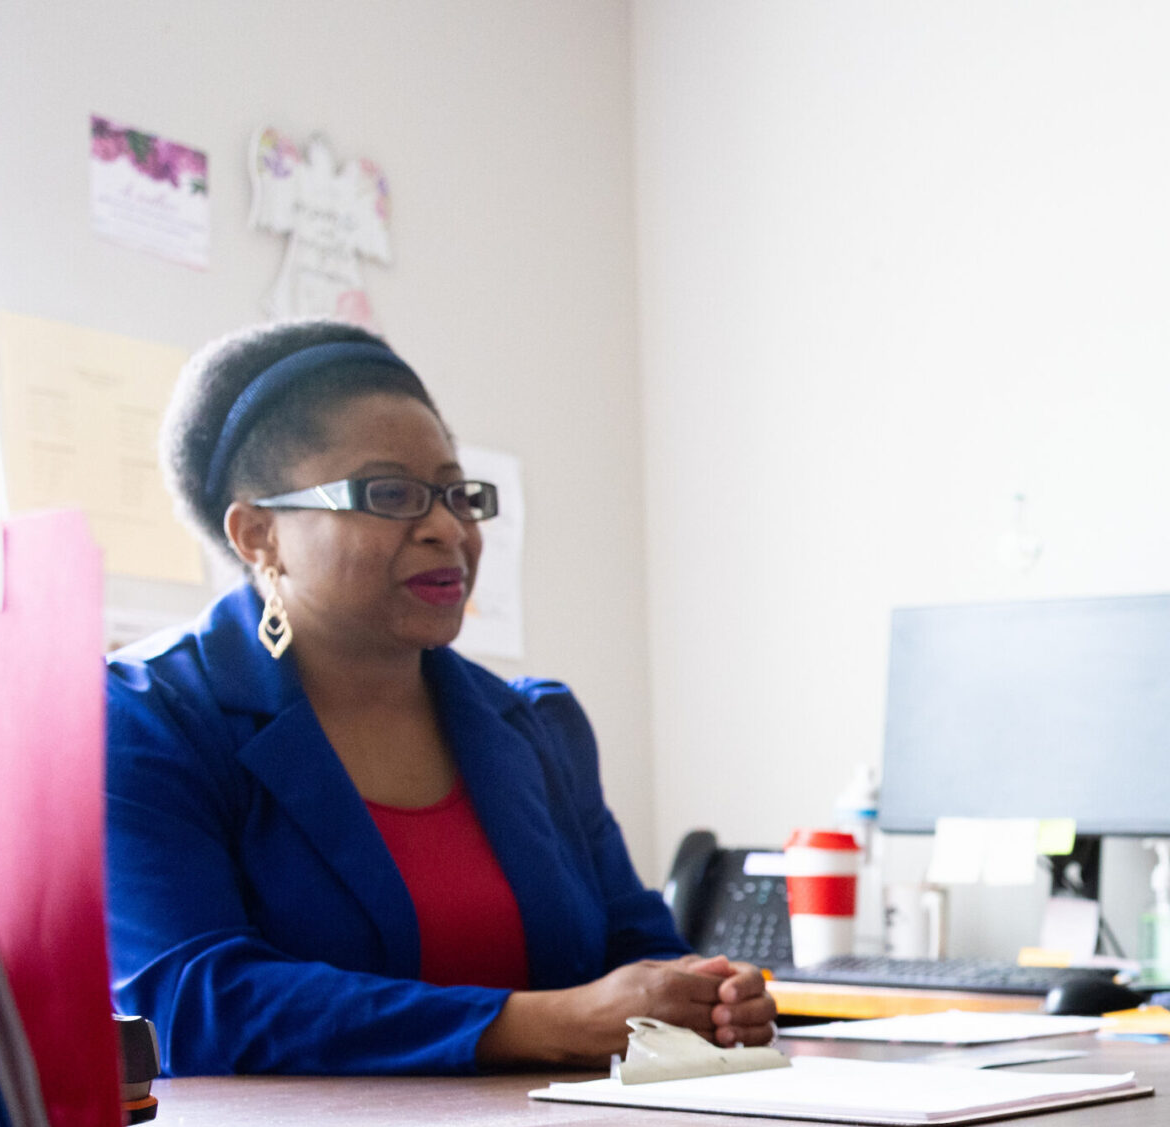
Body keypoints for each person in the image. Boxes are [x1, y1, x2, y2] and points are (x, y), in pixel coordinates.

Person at [109, 322, 773, 1074]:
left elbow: (635, 950)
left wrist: (706, 995)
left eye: (457, 494)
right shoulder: (148, 721)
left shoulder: (535, 726)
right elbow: (188, 1004)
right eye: (389, 494)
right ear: (259, 534)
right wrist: (534, 1024)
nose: (446, 529)